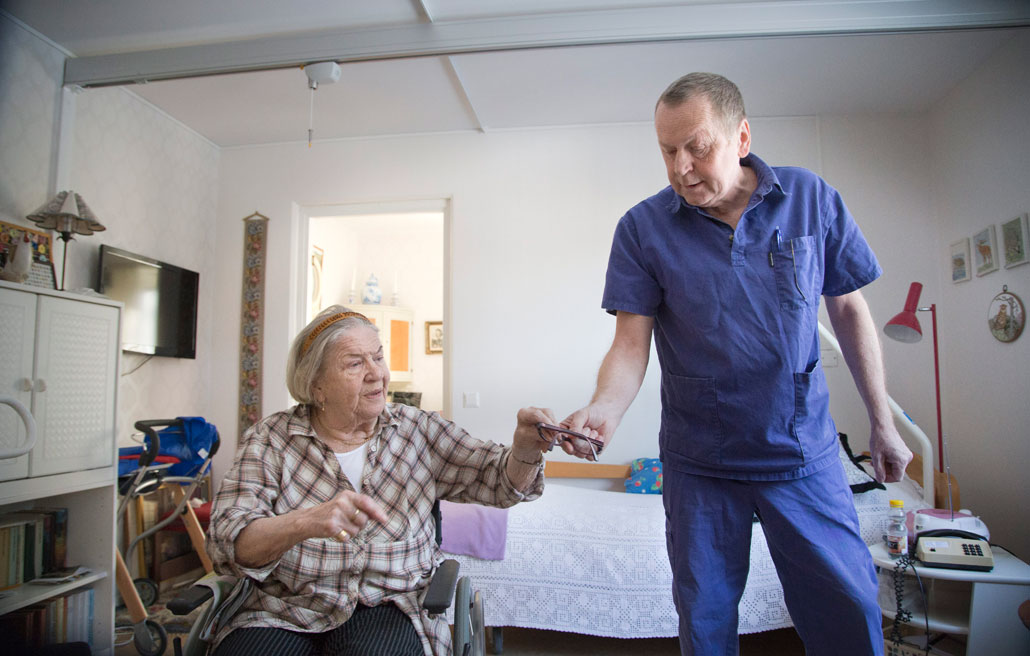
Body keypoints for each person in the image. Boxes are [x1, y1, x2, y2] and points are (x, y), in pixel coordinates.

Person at [561, 73, 913, 655]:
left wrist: (883, 421)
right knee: (705, 619)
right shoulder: (642, 229)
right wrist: (604, 409)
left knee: (847, 607)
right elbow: (630, 343)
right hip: (702, 459)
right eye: (667, 150)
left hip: (802, 450)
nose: (680, 167)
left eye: (697, 146)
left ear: (741, 137)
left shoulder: (810, 198)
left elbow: (848, 310)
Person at [207, 305, 561, 656]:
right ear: (316, 387)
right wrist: (303, 522)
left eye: (378, 357)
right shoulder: (271, 439)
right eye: (356, 363)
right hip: (283, 607)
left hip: (391, 604)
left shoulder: (417, 430)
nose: (377, 374)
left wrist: (525, 450)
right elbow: (228, 543)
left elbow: (499, 480)